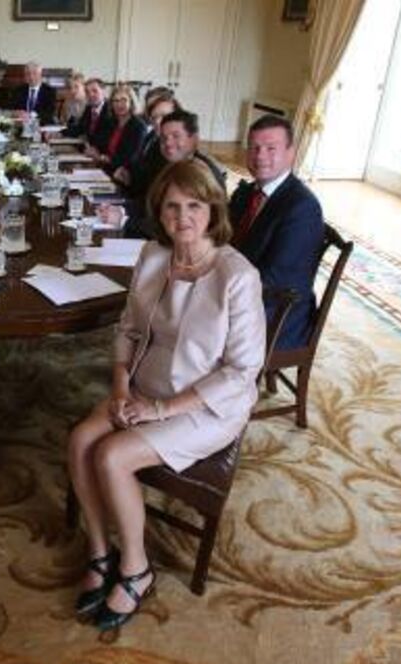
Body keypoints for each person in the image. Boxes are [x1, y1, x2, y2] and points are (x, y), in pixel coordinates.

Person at [66, 161, 265, 632]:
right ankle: (100, 551)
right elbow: (129, 331)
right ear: (159, 211)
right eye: (172, 206)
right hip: (145, 386)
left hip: (206, 406)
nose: (183, 217)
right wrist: (121, 388)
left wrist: (162, 409)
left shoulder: (237, 276)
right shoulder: (154, 257)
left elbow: (242, 372)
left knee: (112, 456)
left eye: (194, 205)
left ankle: (136, 568)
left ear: (212, 209)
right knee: (80, 440)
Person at [229, 114, 324, 350]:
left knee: (191, 323)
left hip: (277, 315)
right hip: (242, 291)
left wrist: (217, 288)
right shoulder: (246, 193)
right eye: (254, 148)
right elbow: (221, 240)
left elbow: (276, 280)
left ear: (291, 153)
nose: (260, 156)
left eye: (271, 148)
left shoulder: (302, 208)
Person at [99, 110, 226, 239]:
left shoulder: (202, 173)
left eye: (176, 136)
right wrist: (121, 209)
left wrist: (125, 221)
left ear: (194, 139)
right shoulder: (169, 164)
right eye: (164, 138)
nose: (168, 143)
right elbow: (152, 204)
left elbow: (181, 227)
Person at [112, 93, 179, 187]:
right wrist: (126, 172)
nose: (158, 121)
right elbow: (139, 164)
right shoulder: (152, 136)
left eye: (164, 116)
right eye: (154, 117)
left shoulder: (180, 148)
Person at [85, 85, 147, 172]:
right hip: (104, 168)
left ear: (131, 102)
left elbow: (130, 158)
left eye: (124, 100)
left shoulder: (139, 126)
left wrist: (102, 158)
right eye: (116, 101)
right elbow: (99, 142)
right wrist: (94, 149)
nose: (119, 104)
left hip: (122, 173)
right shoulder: (111, 122)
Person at [61, 78, 110, 153]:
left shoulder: (110, 110)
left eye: (95, 91)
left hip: (102, 153)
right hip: (87, 150)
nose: (90, 95)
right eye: (87, 92)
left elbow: (106, 138)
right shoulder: (89, 108)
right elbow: (79, 128)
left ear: (104, 92)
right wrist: (60, 133)